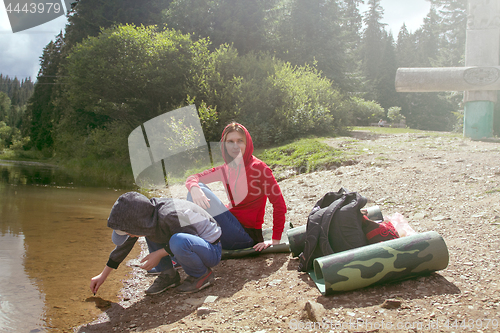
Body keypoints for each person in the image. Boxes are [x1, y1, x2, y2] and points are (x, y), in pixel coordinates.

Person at [90, 192, 222, 296]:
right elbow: (122, 248)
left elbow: (187, 239)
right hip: (189, 243)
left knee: (177, 240)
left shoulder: (170, 215)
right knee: (152, 232)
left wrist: (158, 254)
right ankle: (168, 275)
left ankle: (202, 275)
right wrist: (103, 275)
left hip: (210, 249)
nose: (129, 236)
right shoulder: (146, 216)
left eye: (128, 233)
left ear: (136, 224)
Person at [185, 122, 287, 252]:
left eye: (240, 141)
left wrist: (275, 239)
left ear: (247, 143)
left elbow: (279, 204)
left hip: (246, 236)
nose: (235, 146)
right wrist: (194, 188)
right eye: (230, 142)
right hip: (229, 226)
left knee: (201, 189)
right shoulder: (226, 168)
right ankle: (185, 246)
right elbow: (193, 177)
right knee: (196, 188)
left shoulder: (259, 169)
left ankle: (189, 245)